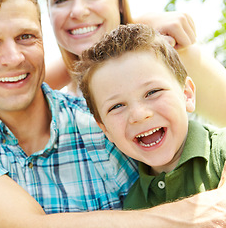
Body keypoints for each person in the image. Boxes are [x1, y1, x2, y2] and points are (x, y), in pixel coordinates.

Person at [0, 0, 226, 227]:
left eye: (25, 36)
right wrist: (207, 211)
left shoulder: (103, 121)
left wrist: (138, 25)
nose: (12, 58)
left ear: (44, 38)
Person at [73, 23, 226, 210]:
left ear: (187, 94)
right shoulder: (133, 208)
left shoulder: (221, 151)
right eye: (117, 106)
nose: (139, 115)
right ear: (105, 130)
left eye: (152, 92)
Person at [42, 0, 226, 127]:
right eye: (61, 0)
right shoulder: (64, 96)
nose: (78, 11)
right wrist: (138, 24)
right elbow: (26, 88)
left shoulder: (171, 53)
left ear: (120, 1)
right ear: (49, 14)